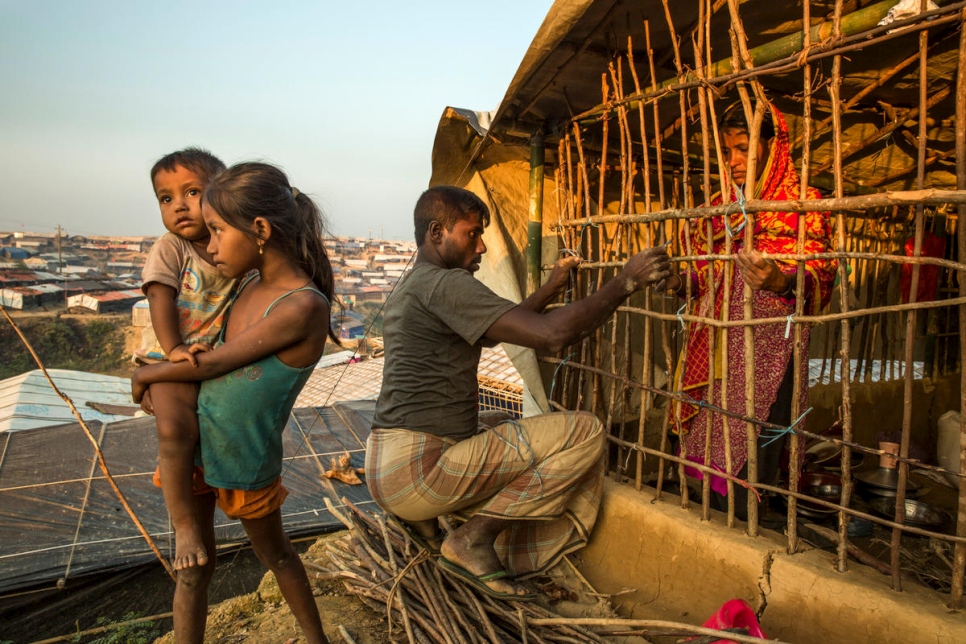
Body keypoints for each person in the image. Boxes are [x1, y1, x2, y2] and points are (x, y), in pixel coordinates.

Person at [365, 186, 670, 600]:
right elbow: (553, 337)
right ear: (437, 233)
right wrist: (625, 281)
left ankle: (425, 519)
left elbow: (491, 332)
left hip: (385, 469)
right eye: (471, 234)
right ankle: (472, 540)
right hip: (419, 473)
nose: (482, 246)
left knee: (501, 423)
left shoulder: (418, 285)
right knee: (584, 432)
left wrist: (550, 288)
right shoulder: (446, 285)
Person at [132, 162, 335, 644]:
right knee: (193, 567)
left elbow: (216, 363)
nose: (212, 244)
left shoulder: (301, 305)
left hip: (245, 459)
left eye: (219, 231)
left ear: (260, 230)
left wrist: (147, 373)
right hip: (198, 450)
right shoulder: (244, 284)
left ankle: (316, 640)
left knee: (277, 555)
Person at [665, 101, 837, 518]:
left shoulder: (803, 206)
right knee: (708, 433)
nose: (734, 161)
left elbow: (821, 270)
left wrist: (782, 280)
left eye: (744, 149)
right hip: (714, 347)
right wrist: (679, 281)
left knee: (755, 442)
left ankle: (744, 522)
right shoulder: (718, 210)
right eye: (728, 152)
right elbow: (702, 275)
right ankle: (706, 513)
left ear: (772, 149)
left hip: (770, 353)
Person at [134, 147, 232, 572]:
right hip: (168, 356)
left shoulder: (232, 249)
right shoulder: (171, 248)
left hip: (209, 362)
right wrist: (173, 350)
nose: (178, 206)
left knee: (203, 439)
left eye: (191, 192)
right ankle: (184, 525)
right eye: (165, 198)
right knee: (174, 431)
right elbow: (160, 297)